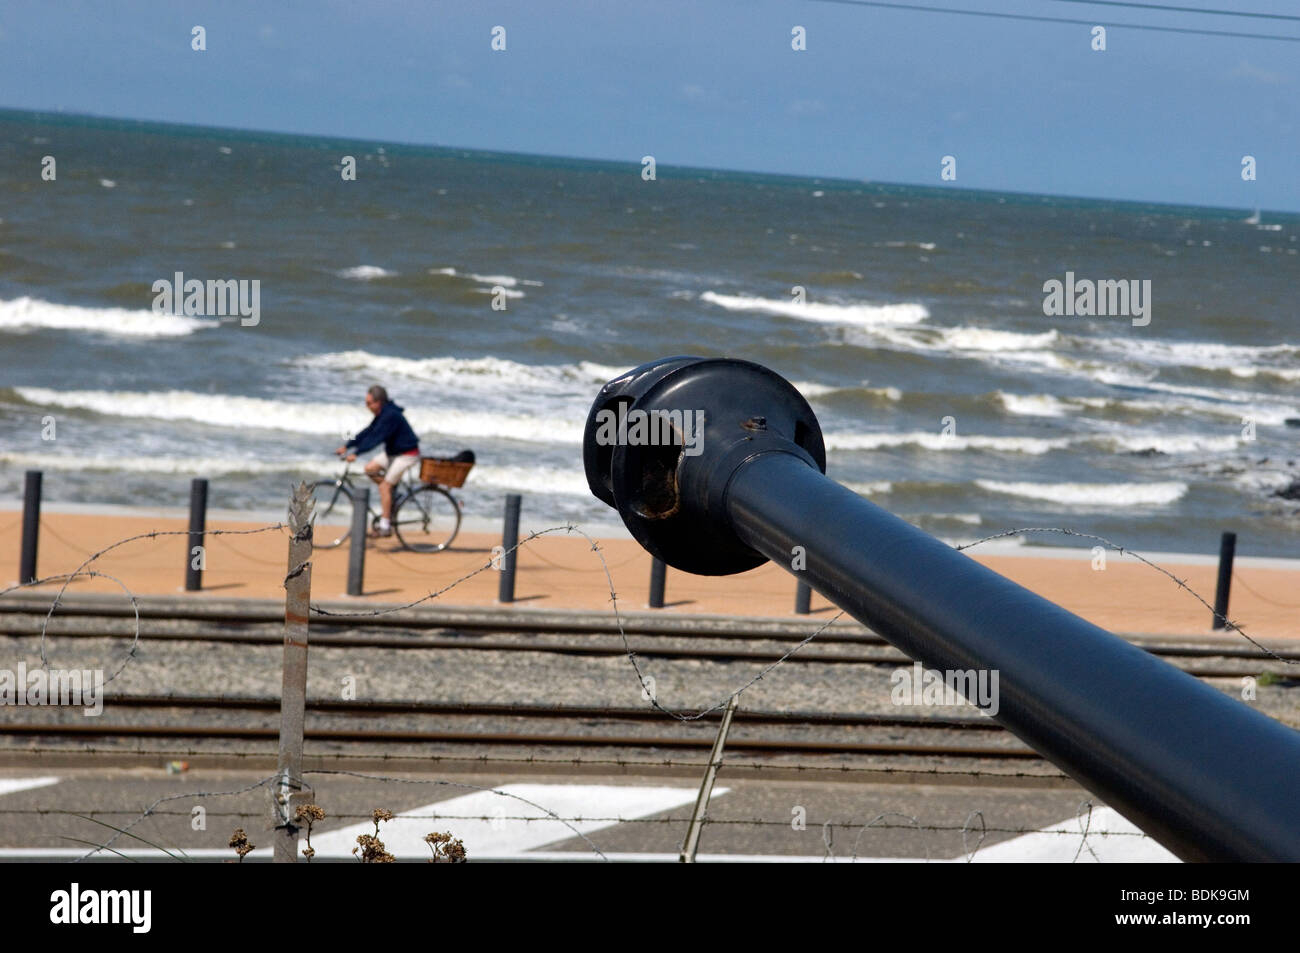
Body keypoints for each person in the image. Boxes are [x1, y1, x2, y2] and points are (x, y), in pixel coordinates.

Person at [335, 385, 420, 537]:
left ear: (379, 402)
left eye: (369, 403)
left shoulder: (390, 415)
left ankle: (385, 527)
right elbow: (368, 431)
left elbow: (376, 438)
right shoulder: (383, 413)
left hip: (407, 454)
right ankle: (390, 495)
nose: (367, 406)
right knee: (370, 469)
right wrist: (347, 445)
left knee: (384, 487)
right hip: (393, 453)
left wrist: (357, 453)